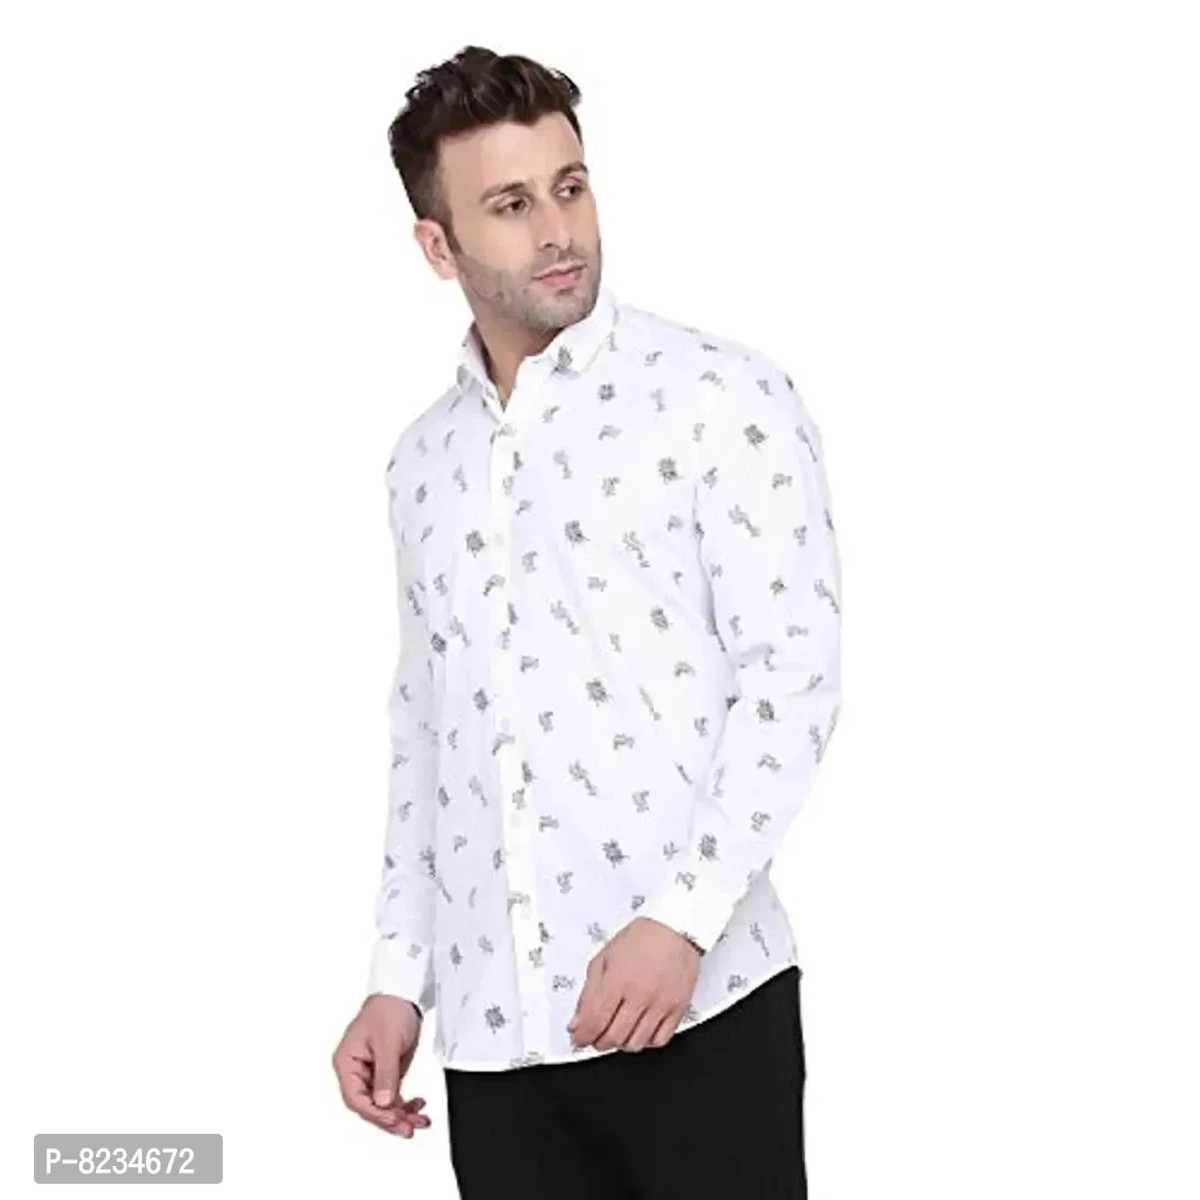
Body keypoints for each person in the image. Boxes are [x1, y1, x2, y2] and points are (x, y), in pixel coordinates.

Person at [331, 43, 843, 1200]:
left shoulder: (720, 398)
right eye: (510, 205)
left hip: (700, 1010)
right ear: (438, 246)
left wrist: (683, 922)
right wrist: (399, 975)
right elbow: (428, 731)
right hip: (497, 1041)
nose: (559, 230)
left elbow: (792, 681)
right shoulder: (423, 465)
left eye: (570, 186)